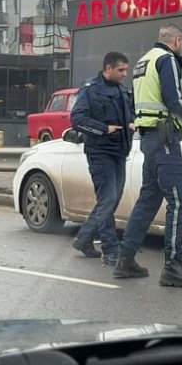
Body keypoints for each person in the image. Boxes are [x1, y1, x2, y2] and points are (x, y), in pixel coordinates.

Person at [113, 23, 182, 288]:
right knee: (179, 201)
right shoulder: (167, 60)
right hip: (165, 137)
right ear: (177, 40)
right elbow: (174, 99)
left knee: (148, 199)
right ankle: (173, 266)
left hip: (149, 138)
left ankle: (125, 259)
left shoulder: (143, 62)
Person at [70, 51, 135, 266]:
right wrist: (103, 129)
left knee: (112, 200)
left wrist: (133, 124)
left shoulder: (123, 91)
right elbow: (77, 119)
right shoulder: (90, 89)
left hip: (120, 152)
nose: (125, 74)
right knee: (107, 200)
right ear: (108, 68)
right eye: (121, 70)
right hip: (100, 153)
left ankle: (84, 238)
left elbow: (130, 115)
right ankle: (110, 250)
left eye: (126, 70)